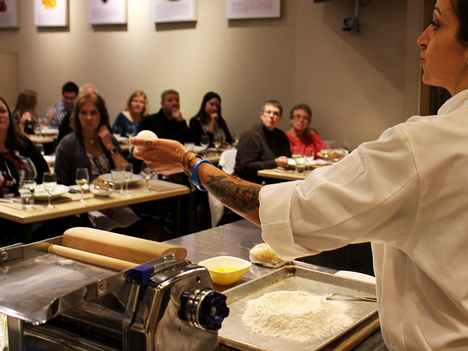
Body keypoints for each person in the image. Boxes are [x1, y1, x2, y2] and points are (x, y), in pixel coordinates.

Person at [132, 0, 468, 349]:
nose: (421, 38)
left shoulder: (423, 146)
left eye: (436, 23)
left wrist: (190, 162)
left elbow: (284, 211)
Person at [55, 93, 138, 231]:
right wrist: (96, 203)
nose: (89, 118)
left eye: (93, 113)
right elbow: (61, 186)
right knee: (113, 232)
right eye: (84, 113)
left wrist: (109, 145)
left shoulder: (107, 139)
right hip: (83, 207)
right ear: (77, 116)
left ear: (101, 115)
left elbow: (126, 173)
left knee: (137, 226)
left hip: (113, 200)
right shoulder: (67, 144)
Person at [0, 97, 48, 197]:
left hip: (35, 204)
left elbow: (45, 173)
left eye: (2, 111)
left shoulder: (23, 143)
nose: (0, 115)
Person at [234, 100, 291, 183]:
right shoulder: (250, 136)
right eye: (268, 112)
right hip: (249, 182)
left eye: (276, 113)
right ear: (261, 115)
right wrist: (274, 163)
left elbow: (287, 157)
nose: (271, 116)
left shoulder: (281, 135)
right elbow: (244, 167)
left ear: (280, 118)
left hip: (274, 180)